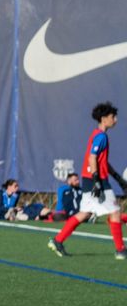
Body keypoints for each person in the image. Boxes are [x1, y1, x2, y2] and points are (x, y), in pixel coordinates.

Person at [48, 102, 127, 259]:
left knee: (85, 213)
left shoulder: (98, 135)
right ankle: (120, 250)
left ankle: (58, 240)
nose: (115, 119)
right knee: (115, 211)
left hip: (90, 179)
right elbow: (92, 158)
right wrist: (97, 180)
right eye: (113, 117)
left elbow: (101, 161)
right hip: (97, 180)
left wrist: (118, 178)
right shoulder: (101, 136)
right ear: (104, 119)